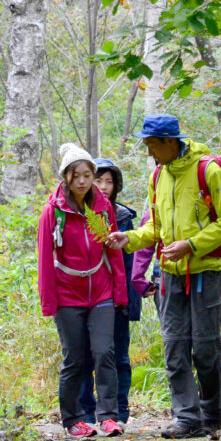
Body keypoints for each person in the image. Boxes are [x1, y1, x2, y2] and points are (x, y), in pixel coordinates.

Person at [107, 115, 221, 439]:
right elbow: (156, 227)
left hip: (205, 272)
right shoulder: (157, 176)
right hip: (169, 274)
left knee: (206, 348)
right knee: (174, 348)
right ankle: (187, 418)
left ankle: (213, 413)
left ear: (170, 141)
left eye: (152, 145)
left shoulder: (209, 171)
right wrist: (129, 238)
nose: (149, 152)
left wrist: (191, 245)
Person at [37, 143, 128, 438]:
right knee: (75, 358)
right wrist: (49, 302)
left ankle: (109, 417)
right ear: (66, 176)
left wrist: (120, 293)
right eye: (75, 175)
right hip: (67, 295)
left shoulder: (102, 208)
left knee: (105, 352)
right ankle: (73, 419)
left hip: (101, 291)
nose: (82, 181)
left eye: (87, 175)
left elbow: (113, 251)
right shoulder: (53, 212)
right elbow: (45, 260)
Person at [79, 157, 142, 425]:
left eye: (109, 182)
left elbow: (130, 263)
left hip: (117, 297)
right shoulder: (74, 213)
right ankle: (85, 412)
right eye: (98, 180)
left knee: (118, 356)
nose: (104, 187)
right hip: (84, 296)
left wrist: (130, 299)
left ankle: (119, 412)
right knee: (83, 356)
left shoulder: (123, 217)